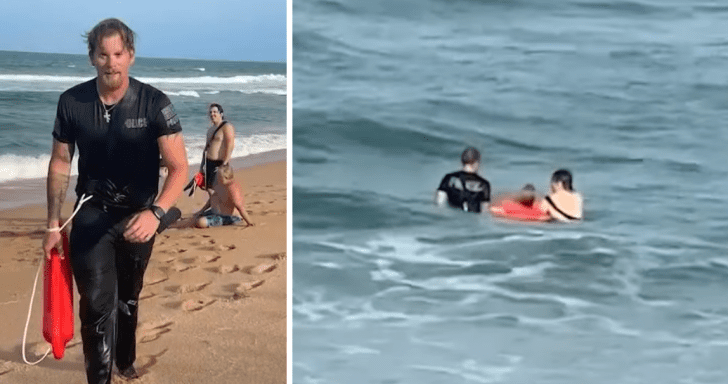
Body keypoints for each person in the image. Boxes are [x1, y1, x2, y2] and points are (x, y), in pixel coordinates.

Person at [41, 18, 188, 383]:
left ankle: (125, 359)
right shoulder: (72, 102)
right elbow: (60, 162)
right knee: (95, 304)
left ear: (131, 56)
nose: (111, 62)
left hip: (139, 216)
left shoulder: (155, 103)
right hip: (91, 214)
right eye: (103, 54)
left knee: (128, 299)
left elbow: (178, 167)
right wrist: (52, 224)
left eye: (118, 54)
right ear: (92, 57)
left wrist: (156, 213)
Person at [192, 163, 254, 228]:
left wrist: (250, 223)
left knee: (200, 222)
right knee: (195, 216)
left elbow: (240, 207)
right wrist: (202, 210)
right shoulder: (221, 184)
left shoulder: (232, 190)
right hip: (215, 212)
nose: (217, 178)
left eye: (219, 177)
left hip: (227, 217)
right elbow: (212, 198)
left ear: (226, 177)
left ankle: (237, 218)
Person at [435, 147, 491, 213]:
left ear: (462, 161)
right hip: (472, 221)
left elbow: (439, 203)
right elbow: (484, 211)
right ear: (477, 162)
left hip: (452, 218)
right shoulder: (484, 184)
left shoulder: (449, 178)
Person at [202, 103, 235, 189]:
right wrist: (202, 166)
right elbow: (207, 148)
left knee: (218, 190)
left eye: (215, 112)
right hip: (208, 163)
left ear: (221, 114)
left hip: (219, 164)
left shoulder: (227, 127)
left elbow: (230, 146)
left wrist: (224, 164)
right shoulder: (210, 129)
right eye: (210, 112)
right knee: (209, 188)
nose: (212, 114)